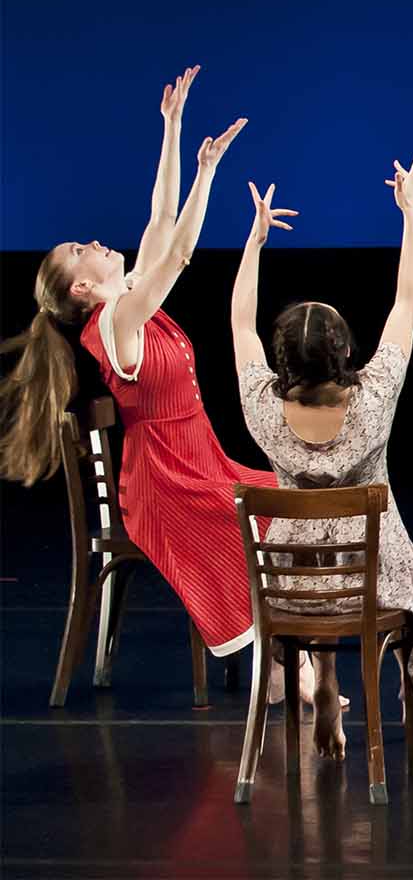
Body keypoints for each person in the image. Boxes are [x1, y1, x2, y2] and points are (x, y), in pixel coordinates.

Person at [0, 68, 298, 677]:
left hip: (198, 460)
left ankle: (287, 664)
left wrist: (174, 128)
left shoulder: (127, 298)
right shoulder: (114, 325)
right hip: (166, 484)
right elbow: (180, 254)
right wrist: (209, 174)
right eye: (81, 250)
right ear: (82, 286)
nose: (94, 242)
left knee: (288, 500)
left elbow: (163, 222)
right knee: (263, 514)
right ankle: (293, 669)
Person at [230, 151, 413, 758]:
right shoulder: (374, 398)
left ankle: (325, 683)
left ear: (282, 361)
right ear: (345, 350)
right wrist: (412, 215)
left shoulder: (260, 409)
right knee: (407, 573)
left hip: (291, 588)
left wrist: (253, 244)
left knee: (329, 572)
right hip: (370, 583)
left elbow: (239, 324)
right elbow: (407, 302)